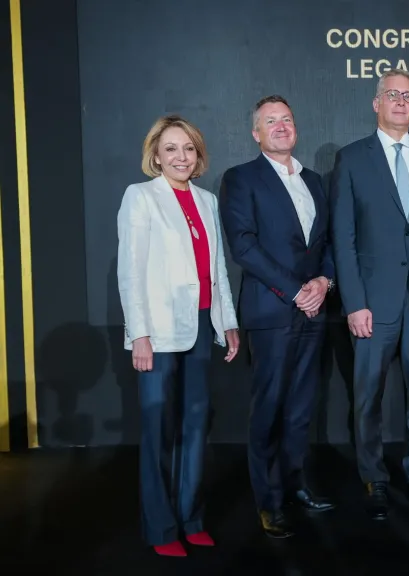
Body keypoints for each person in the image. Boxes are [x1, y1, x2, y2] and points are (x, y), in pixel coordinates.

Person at [330, 68, 409, 519]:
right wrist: (354, 302)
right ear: (376, 103)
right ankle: (374, 478)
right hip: (372, 301)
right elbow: (343, 237)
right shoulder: (351, 159)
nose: (402, 102)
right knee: (368, 398)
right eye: (393, 94)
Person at [117, 115, 240, 557]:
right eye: (170, 148)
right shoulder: (140, 196)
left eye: (188, 148)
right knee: (158, 432)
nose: (181, 157)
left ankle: (191, 518)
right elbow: (130, 272)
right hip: (159, 332)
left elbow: (216, 268)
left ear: (198, 154)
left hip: (201, 326)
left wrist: (227, 322)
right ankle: (162, 528)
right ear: (155, 155)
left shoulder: (207, 200)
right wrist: (139, 335)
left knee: (194, 427)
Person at [220, 95, 336, 539]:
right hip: (272, 311)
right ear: (256, 133)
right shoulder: (240, 178)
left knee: (302, 408)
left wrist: (323, 282)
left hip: (315, 310)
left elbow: (326, 242)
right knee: (268, 408)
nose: (281, 126)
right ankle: (268, 501)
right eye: (271, 121)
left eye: (287, 119)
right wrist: (295, 290)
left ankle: (295, 485)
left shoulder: (313, 180)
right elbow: (244, 246)